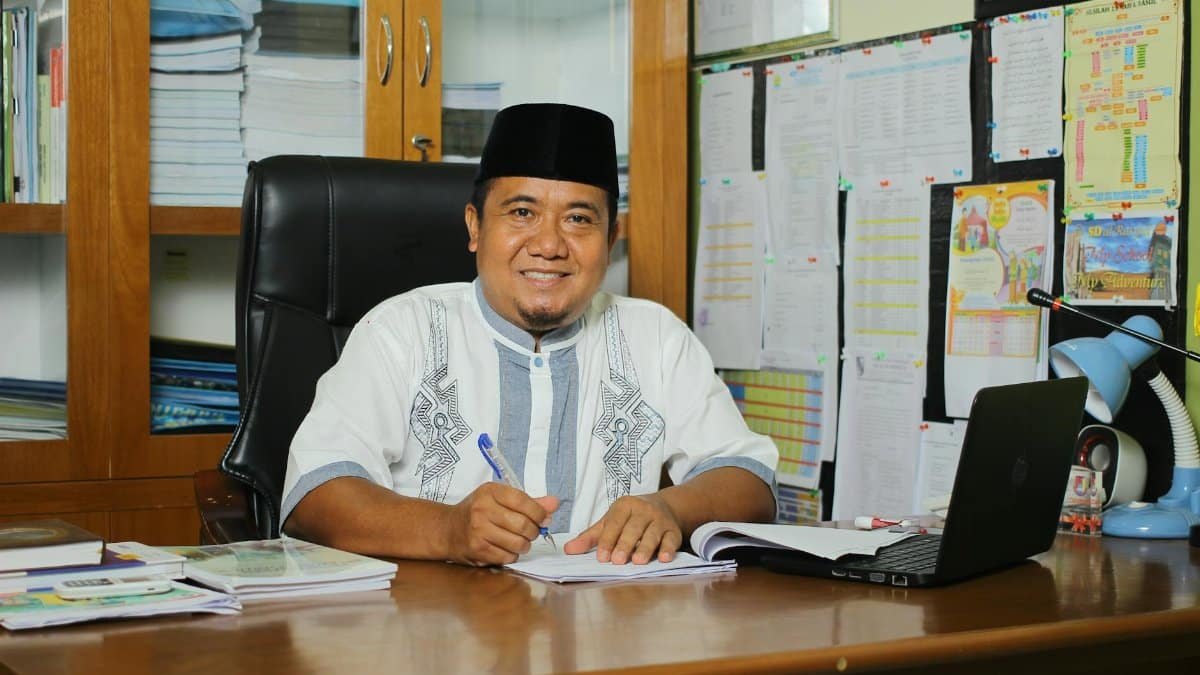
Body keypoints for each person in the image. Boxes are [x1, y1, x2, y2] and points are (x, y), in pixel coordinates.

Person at [280, 103, 778, 567]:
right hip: (430, 636)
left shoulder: (657, 337)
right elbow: (313, 495)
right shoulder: (400, 331)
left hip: (610, 637)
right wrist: (449, 529)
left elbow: (751, 481)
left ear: (610, 240)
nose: (548, 245)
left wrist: (670, 507)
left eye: (579, 220)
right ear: (475, 227)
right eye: (522, 213)